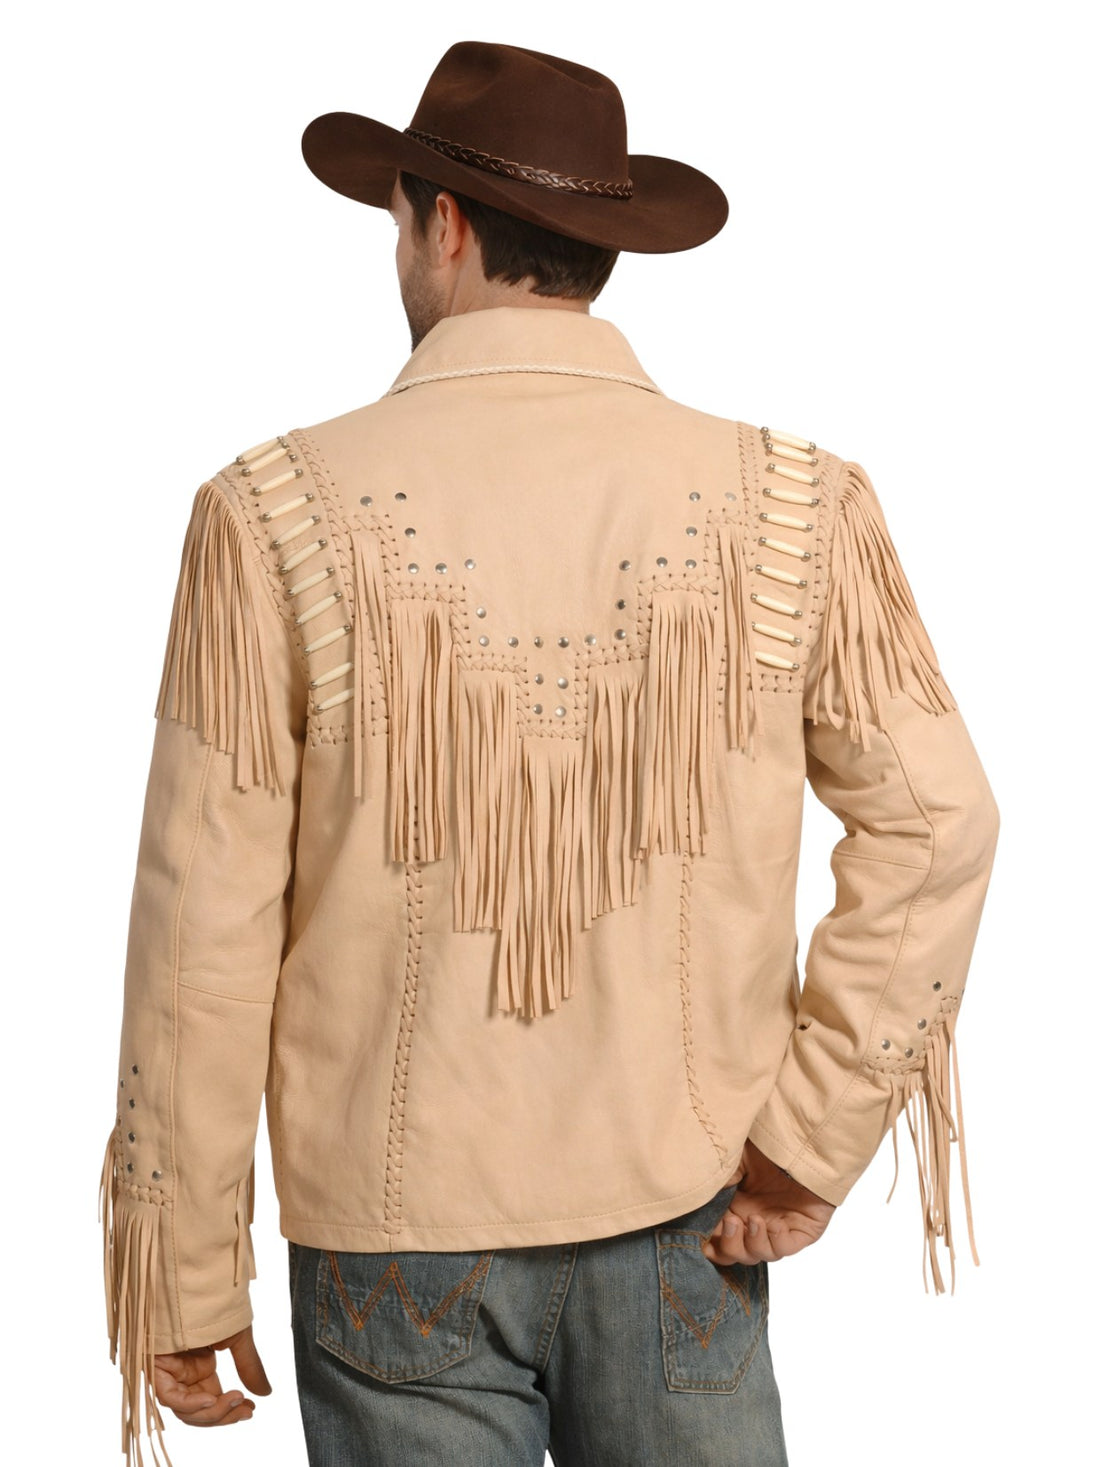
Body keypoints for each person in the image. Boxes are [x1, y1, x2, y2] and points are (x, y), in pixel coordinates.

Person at [98, 39, 1000, 1467]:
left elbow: (203, 920)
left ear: (440, 225)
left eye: (397, 221)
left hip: (392, 1243)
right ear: (597, 246)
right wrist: (810, 1141)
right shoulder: (797, 505)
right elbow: (940, 824)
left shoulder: (269, 513)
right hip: (687, 1212)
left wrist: (183, 1264)